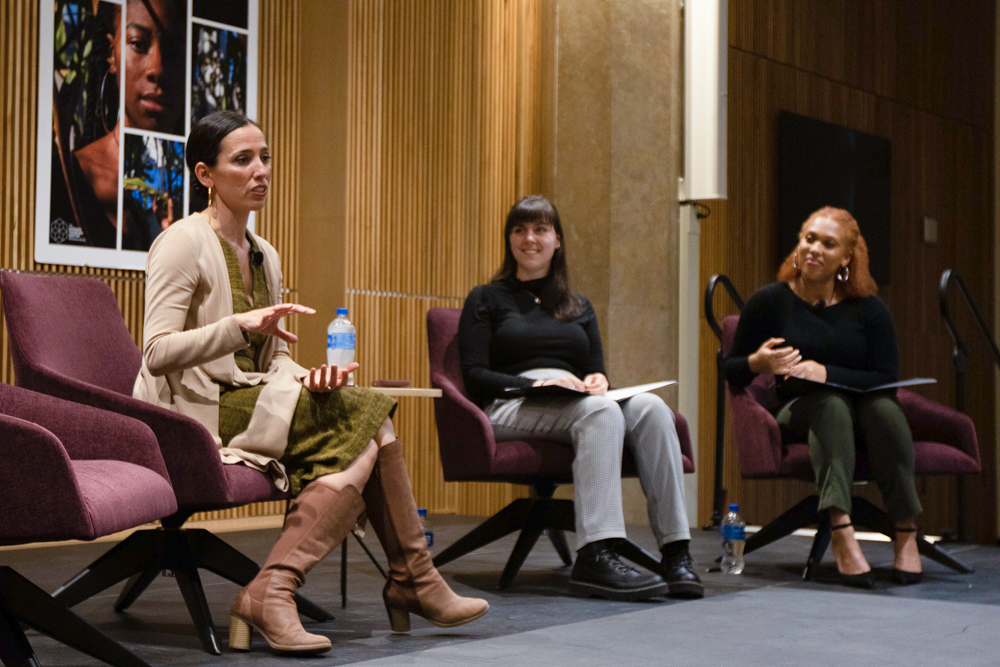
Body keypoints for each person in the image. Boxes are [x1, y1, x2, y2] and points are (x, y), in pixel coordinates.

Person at [133, 111, 488, 654]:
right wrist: (236, 326)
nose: (261, 171)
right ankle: (409, 579)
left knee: (364, 427)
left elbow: (271, 361)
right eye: (243, 160)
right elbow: (156, 353)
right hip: (191, 412)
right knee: (372, 419)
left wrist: (308, 377)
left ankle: (280, 590)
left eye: (265, 157)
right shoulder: (181, 243)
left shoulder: (265, 253)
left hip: (248, 399)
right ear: (205, 175)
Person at [458, 195, 702, 601]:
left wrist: (596, 379)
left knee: (653, 409)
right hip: (509, 404)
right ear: (509, 239)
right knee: (601, 414)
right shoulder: (487, 298)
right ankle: (595, 554)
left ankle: (677, 553)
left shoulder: (578, 305)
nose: (529, 238)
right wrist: (535, 385)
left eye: (540, 229)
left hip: (574, 402)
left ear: (557, 240)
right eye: (519, 230)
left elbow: (597, 369)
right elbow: (474, 376)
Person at [725, 206, 923, 587]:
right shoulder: (771, 301)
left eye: (828, 244)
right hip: (800, 408)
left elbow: (886, 377)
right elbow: (731, 368)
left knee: (885, 409)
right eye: (809, 238)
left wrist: (826, 372)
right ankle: (841, 529)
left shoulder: (869, 308)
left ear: (846, 258)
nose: (814, 248)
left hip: (864, 410)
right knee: (831, 407)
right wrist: (758, 361)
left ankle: (906, 530)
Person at [55, 0, 184, 249]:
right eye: (137, 44)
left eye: (173, 50)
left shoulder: (202, 190)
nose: (157, 68)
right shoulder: (68, 175)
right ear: (111, 55)